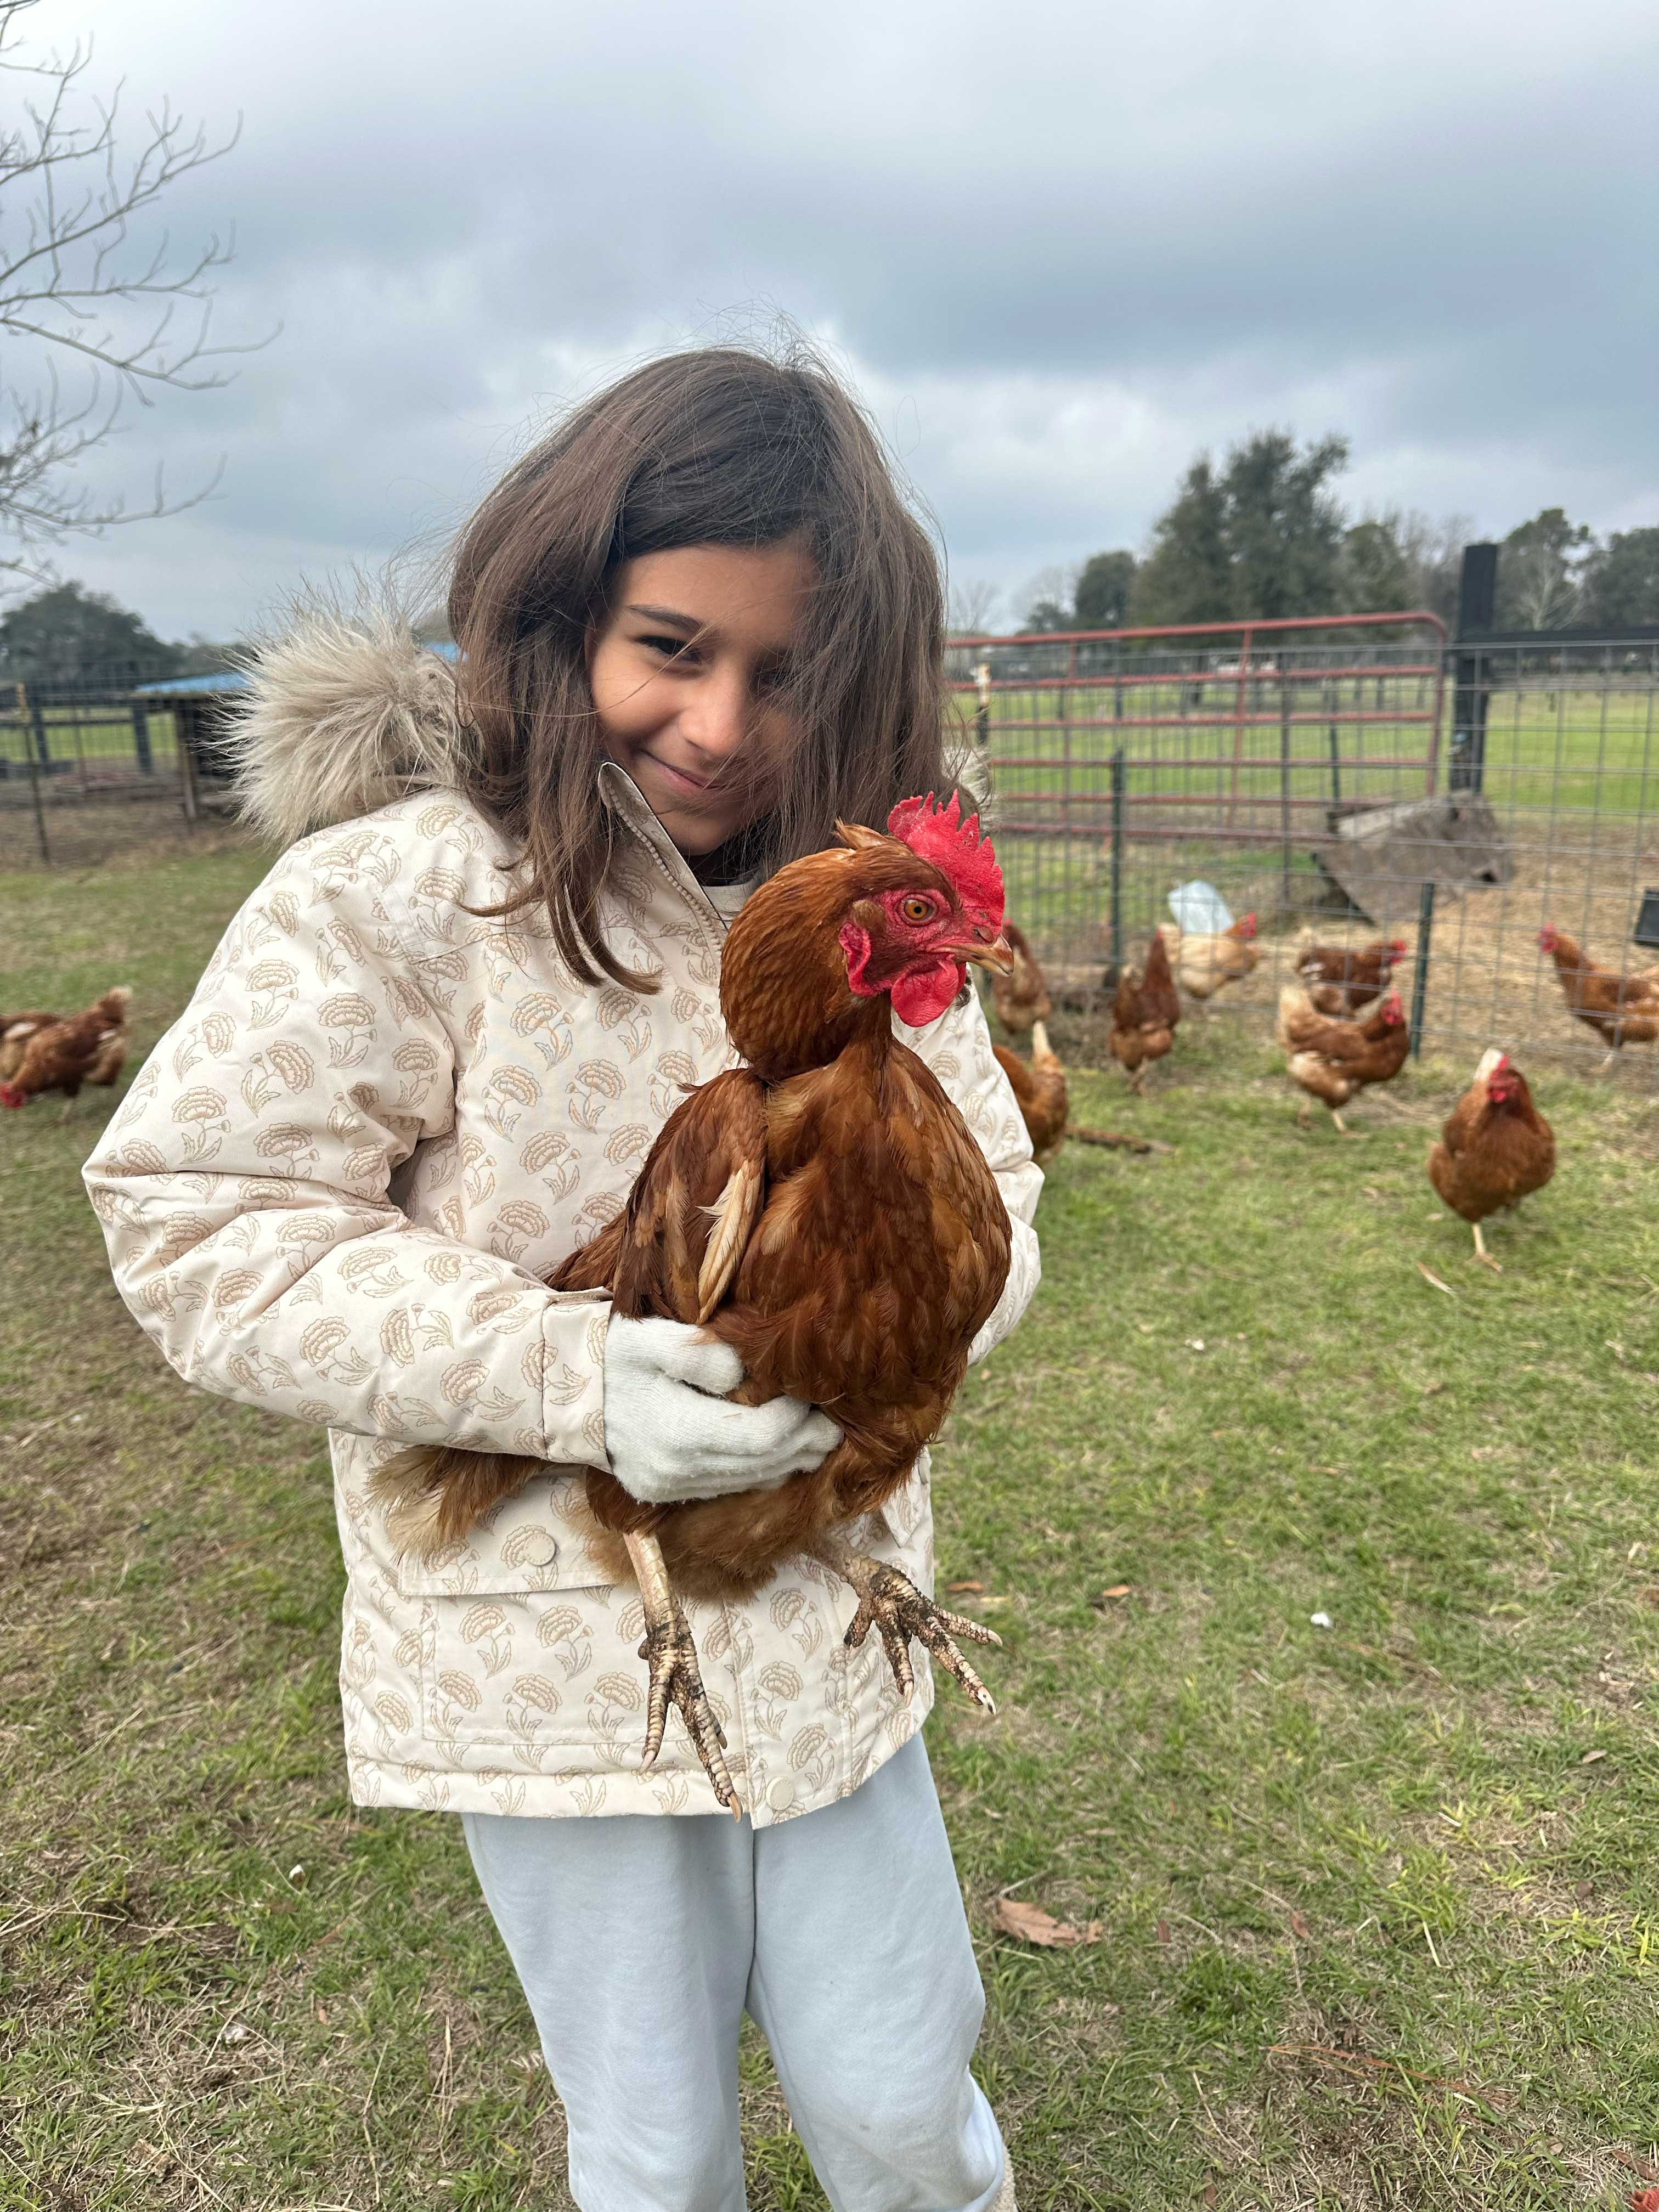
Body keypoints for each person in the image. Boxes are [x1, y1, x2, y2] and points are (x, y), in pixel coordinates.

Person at [85, 346, 1041, 2212]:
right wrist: (569, 1377)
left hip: (829, 1609)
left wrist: (879, 1339)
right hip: (549, 1650)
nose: (721, 722)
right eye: (670, 647)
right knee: (659, 2153)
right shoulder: (395, 900)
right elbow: (197, 1215)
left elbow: (991, 1189)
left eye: (787, 674)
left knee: (900, 2099)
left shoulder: (862, 910)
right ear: (559, 613)